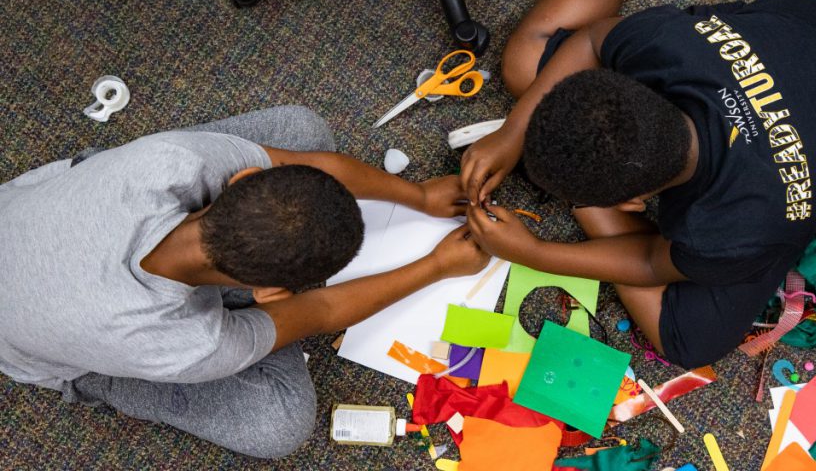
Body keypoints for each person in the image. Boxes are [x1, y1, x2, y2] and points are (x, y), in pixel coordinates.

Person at [460, 0, 816, 368]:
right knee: (525, 67)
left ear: (636, 200)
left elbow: (652, 261)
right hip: (806, 36)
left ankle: (587, 196)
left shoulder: (724, 229)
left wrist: (537, 254)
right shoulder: (667, 48)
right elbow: (591, 39)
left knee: (690, 340)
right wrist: (512, 132)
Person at [0, 105, 490, 458]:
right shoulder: (185, 345)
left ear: (242, 180)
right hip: (34, 346)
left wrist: (419, 196)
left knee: (303, 130)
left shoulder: (170, 161)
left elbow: (317, 168)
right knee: (279, 426)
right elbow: (319, 312)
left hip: (28, 217)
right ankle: (97, 381)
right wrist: (436, 267)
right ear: (269, 294)